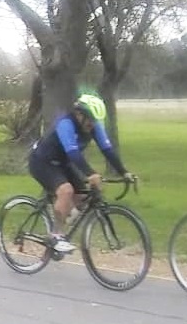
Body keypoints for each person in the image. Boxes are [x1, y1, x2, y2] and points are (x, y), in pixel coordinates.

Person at [28, 93, 135, 254]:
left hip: (62, 163)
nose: (93, 124)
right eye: (90, 119)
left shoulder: (94, 127)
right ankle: (55, 236)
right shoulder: (66, 124)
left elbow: (108, 151)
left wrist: (124, 172)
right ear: (79, 114)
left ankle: (63, 218)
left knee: (83, 196)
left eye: (96, 120)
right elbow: (73, 153)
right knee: (66, 191)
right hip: (42, 162)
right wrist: (90, 173)